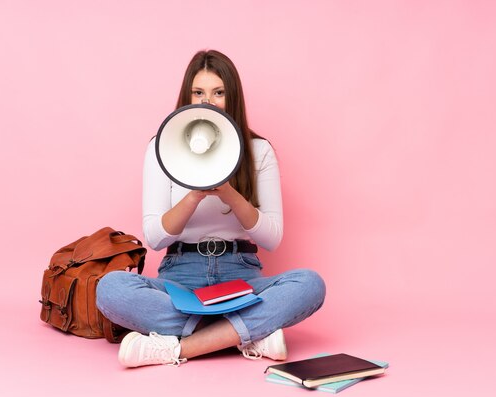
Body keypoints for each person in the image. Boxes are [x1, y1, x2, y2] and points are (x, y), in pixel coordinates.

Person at [96, 50, 326, 368]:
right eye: (199, 92)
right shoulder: (161, 148)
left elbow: (272, 238)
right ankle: (245, 333)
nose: (208, 101)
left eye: (219, 92)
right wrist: (193, 196)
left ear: (232, 98)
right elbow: (155, 238)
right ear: (187, 96)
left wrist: (230, 194)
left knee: (310, 284)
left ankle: (178, 348)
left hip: (241, 276)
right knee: (110, 288)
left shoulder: (259, 151)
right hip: (180, 276)